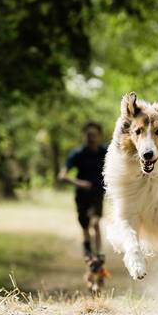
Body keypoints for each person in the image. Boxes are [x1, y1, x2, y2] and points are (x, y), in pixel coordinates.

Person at [58, 121, 109, 292]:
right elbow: (62, 175)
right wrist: (79, 183)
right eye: (88, 136)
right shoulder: (77, 154)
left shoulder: (106, 152)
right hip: (81, 196)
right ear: (84, 136)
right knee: (86, 228)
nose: (91, 138)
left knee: (96, 223)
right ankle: (90, 259)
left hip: (97, 195)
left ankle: (99, 256)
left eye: (94, 135)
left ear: (99, 136)